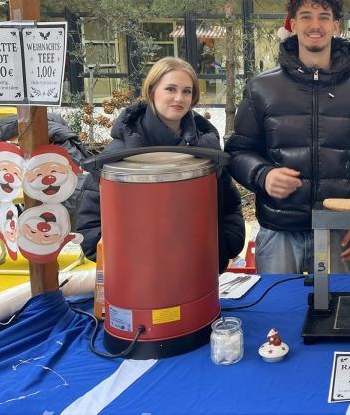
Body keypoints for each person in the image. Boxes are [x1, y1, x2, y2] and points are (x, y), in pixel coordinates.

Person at [225, 0, 350, 274]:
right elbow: (237, 151)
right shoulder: (262, 88)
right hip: (279, 230)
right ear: (293, 24)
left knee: (337, 315)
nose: (315, 25)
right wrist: (263, 174)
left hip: (339, 231)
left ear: (336, 26)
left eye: (324, 17)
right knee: (279, 316)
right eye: (306, 16)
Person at [76, 57, 245, 274]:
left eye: (186, 91)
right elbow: (91, 228)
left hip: (200, 278)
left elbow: (230, 208)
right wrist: (140, 262)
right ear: (152, 91)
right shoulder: (120, 154)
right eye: (170, 89)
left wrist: (220, 248)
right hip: (141, 285)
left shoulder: (207, 149)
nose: (179, 98)